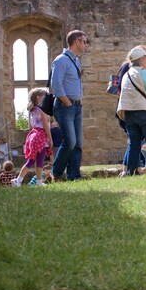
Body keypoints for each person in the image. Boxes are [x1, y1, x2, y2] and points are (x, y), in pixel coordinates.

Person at [51, 30, 89, 181]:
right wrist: (67, 102)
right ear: (77, 42)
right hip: (64, 106)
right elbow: (56, 85)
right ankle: (56, 173)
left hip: (77, 106)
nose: (86, 45)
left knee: (77, 143)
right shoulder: (61, 60)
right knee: (70, 141)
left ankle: (74, 176)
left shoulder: (76, 61)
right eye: (85, 42)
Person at [117, 46, 146, 176]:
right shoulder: (144, 72)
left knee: (134, 143)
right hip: (145, 112)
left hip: (129, 113)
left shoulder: (126, 75)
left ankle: (130, 171)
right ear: (141, 59)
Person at [13, 88, 54, 187]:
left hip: (34, 136)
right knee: (39, 161)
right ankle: (27, 181)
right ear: (38, 97)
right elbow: (45, 125)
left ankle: (22, 180)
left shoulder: (33, 110)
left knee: (33, 160)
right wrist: (50, 139)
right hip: (41, 137)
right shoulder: (42, 109)